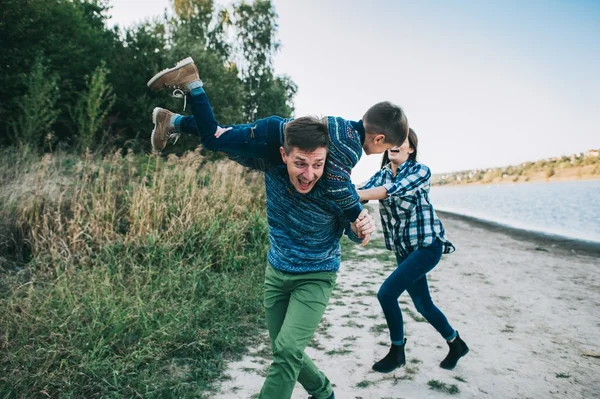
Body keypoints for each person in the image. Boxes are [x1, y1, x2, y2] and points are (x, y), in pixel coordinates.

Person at [148, 63, 376, 398]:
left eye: (318, 164)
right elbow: (219, 138)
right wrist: (180, 123)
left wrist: (361, 225)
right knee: (285, 350)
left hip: (316, 276)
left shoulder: (336, 186)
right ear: (284, 155)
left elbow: (353, 230)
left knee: (286, 352)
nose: (309, 173)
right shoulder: (269, 161)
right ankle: (324, 392)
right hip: (277, 273)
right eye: (300, 162)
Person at [146, 57, 409, 245]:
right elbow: (338, 184)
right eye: (386, 149)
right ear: (379, 139)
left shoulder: (342, 125)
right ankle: (192, 84)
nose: (382, 153)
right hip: (270, 142)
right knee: (214, 138)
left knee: (221, 133)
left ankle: (172, 122)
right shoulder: (351, 148)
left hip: (271, 131)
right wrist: (355, 212)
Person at [357, 129, 469, 373]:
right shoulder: (382, 174)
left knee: (386, 294)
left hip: (427, 245)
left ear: (411, 149)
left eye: (402, 141)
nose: (395, 144)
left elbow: (392, 190)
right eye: (392, 140)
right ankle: (456, 343)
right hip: (404, 248)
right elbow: (362, 194)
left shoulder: (420, 171)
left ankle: (397, 351)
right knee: (423, 305)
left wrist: (357, 194)